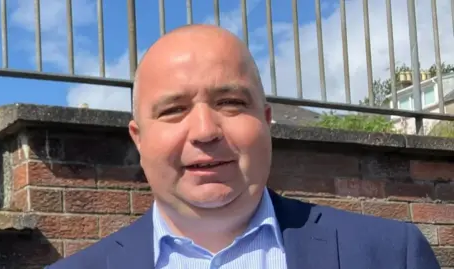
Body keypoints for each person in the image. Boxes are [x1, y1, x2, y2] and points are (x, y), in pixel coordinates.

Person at [46, 24, 440, 269]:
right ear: (138, 137)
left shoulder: (390, 256)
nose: (204, 130)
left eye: (230, 103)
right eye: (173, 109)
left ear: (267, 121)